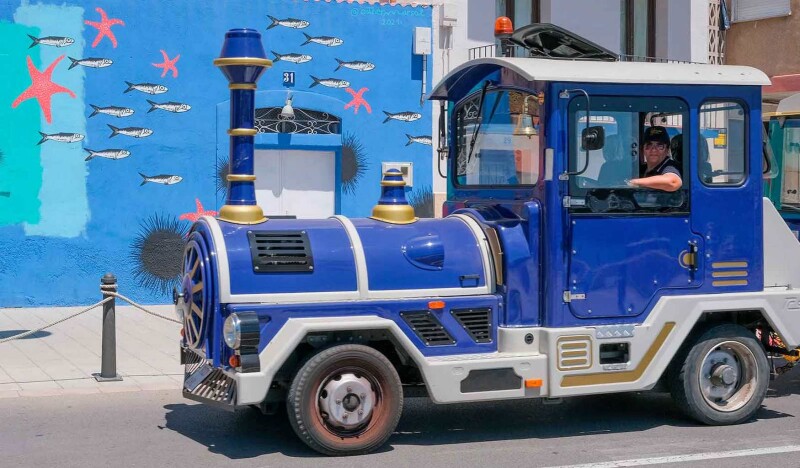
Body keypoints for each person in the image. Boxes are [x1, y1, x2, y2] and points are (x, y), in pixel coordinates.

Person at [628, 126, 682, 192]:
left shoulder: (670, 167)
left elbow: (673, 182)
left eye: (660, 146)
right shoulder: (641, 169)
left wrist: (633, 182)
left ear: (667, 150)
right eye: (649, 145)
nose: (653, 150)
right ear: (643, 149)